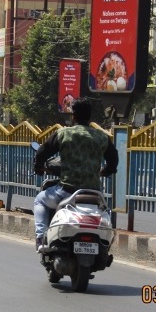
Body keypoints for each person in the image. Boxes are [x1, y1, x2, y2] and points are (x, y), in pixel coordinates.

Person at [32, 98, 118, 252]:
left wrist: (38, 167)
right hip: (93, 193)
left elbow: (42, 151)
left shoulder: (64, 133)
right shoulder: (101, 137)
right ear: (90, 117)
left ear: (74, 116)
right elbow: (113, 158)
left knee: (40, 200)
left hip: (67, 191)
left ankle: (41, 238)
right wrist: (106, 171)